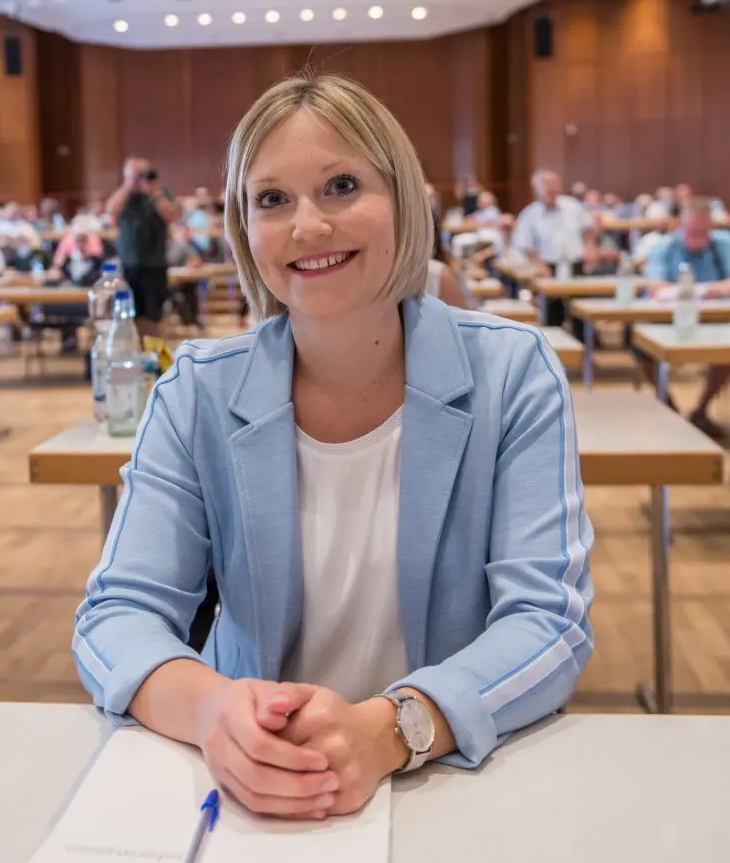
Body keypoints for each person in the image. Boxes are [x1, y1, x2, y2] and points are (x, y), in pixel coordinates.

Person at [73, 73, 592, 819]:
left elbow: (549, 623)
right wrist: (213, 713)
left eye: (341, 185)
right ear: (243, 229)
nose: (307, 226)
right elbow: (116, 614)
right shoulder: (195, 393)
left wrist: (390, 730)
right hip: (246, 794)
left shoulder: (513, 374)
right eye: (272, 200)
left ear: (404, 201)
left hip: (450, 781)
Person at [637, 192, 730, 438]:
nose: (699, 238)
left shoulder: (723, 243)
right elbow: (654, 288)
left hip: (715, 318)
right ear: (682, 225)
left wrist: (721, 288)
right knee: (638, 343)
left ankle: (701, 410)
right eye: (693, 231)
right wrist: (704, 290)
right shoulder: (665, 246)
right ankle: (668, 405)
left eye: (704, 232)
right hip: (669, 318)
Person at [509, 169, 595, 331]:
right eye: (547, 186)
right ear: (537, 188)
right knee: (552, 317)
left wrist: (590, 248)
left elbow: (588, 229)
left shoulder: (573, 206)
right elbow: (525, 245)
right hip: (548, 267)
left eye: (555, 185)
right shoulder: (530, 214)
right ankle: (555, 350)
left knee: (580, 313)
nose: (552, 189)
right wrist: (539, 265)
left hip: (576, 264)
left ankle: (583, 346)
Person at [107, 156, 181, 338]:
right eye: (136, 173)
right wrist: (128, 185)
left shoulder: (161, 194)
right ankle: (139, 353)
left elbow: (172, 215)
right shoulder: (125, 196)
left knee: (155, 315)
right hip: (130, 264)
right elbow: (111, 210)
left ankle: (155, 356)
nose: (141, 177)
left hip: (155, 264)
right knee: (133, 313)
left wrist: (154, 193)